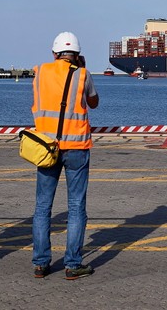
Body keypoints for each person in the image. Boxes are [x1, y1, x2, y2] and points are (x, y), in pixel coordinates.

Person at [31, 31, 99, 280]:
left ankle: (40, 263)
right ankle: (72, 264)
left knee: (42, 207)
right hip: (76, 149)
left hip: (46, 147)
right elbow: (94, 103)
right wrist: (83, 70)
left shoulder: (39, 73)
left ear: (54, 53)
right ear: (77, 55)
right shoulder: (83, 75)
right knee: (76, 207)